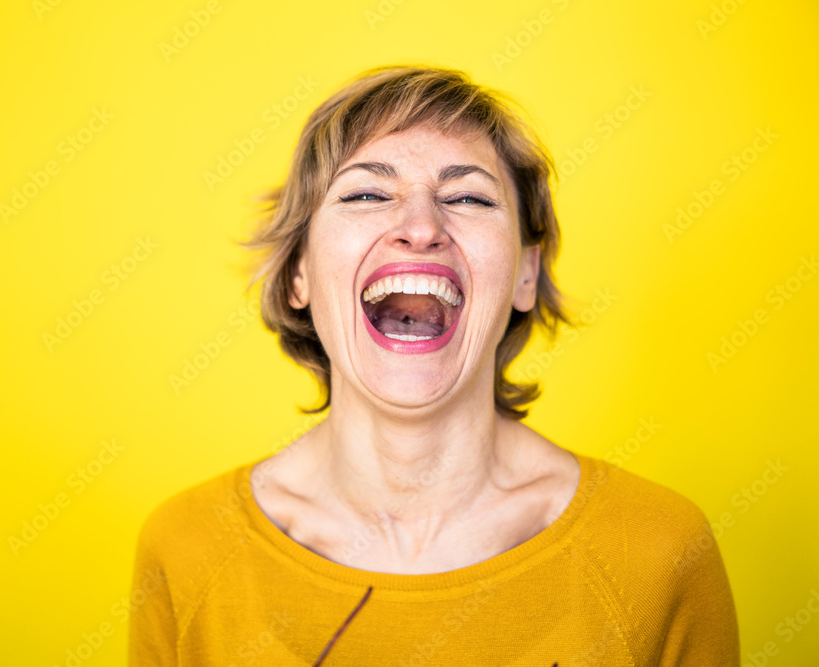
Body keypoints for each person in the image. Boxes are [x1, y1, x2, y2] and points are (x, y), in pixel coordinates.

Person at [129, 64, 739, 665]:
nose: (421, 227)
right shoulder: (188, 548)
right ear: (299, 272)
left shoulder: (657, 552)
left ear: (526, 273)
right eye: (367, 193)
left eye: (468, 196)